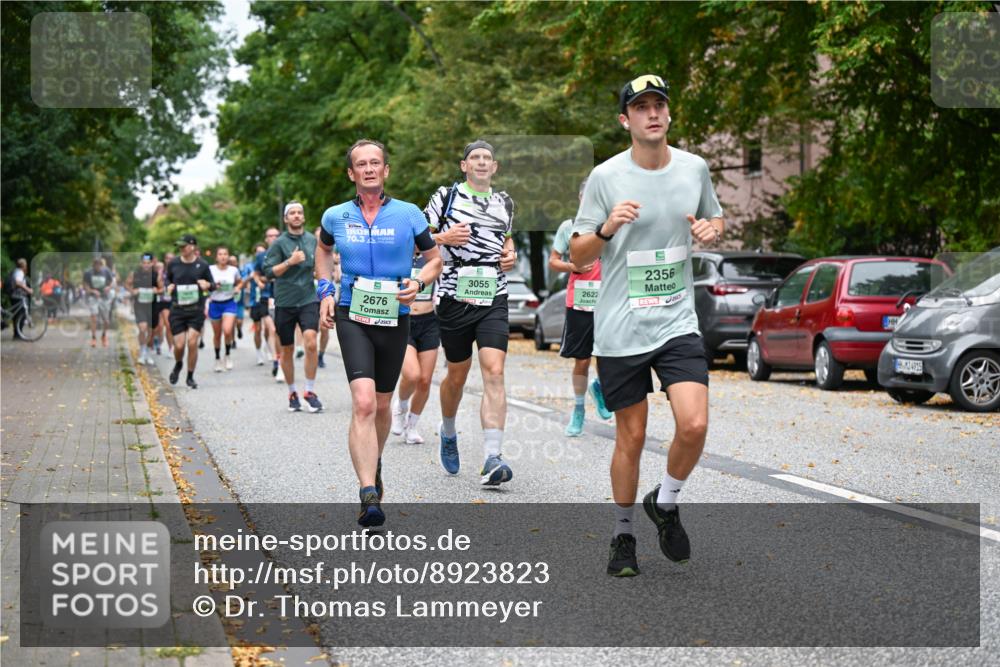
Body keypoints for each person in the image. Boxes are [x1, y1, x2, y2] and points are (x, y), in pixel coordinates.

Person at [570, 74, 724, 576]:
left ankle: (667, 501)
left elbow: (714, 219)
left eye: (659, 104)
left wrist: (709, 227)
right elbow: (577, 253)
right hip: (621, 327)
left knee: (695, 423)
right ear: (625, 120)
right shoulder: (605, 178)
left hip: (678, 319)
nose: (652, 113)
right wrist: (608, 227)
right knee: (631, 438)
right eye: (641, 107)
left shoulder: (694, 168)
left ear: (669, 115)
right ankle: (623, 535)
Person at [317, 139, 441, 527]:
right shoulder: (335, 216)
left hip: (394, 314)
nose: (369, 169)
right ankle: (368, 491)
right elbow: (322, 251)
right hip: (352, 313)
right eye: (361, 165)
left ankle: (375, 458)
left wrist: (419, 281)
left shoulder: (409, 215)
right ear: (351, 174)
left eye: (376, 163)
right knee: (365, 402)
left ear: (386, 170)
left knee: (384, 406)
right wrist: (325, 290)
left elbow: (434, 258)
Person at [424, 140, 517, 485]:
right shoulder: (444, 197)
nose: (481, 163)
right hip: (454, 293)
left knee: (494, 370)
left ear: (494, 168)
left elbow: (506, 241)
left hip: (493, 290)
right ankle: (448, 430)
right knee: (457, 375)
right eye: (474, 158)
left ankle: (493, 456)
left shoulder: (504, 202)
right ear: (464, 166)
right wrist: (445, 237)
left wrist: (510, 255)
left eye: (487, 159)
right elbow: (418, 238)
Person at [549, 179, 613, 436]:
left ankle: (600, 387)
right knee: (583, 360)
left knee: (609, 356)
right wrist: (571, 267)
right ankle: (578, 411)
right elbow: (554, 261)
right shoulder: (569, 227)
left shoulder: (612, 225)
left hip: (609, 299)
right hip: (580, 301)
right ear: (580, 197)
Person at [263, 202, 322, 412]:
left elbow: (320, 266)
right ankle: (292, 392)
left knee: (311, 342)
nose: (296, 216)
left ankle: (309, 391)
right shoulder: (279, 243)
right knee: (286, 349)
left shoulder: (311, 240)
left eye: (299, 213)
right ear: (286, 219)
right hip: (285, 302)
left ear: (303, 218)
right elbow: (269, 272)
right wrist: (290, 261)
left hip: (307, 299)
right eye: (292, 213)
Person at [390, 247, 440, 444]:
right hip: (404, 320)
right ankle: (400, 407)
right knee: (412, 374)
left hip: (429, 321)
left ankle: (411, 426)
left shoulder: (434, 257)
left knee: (425, 380)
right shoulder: (397, 254)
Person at [165, 234, 216, 389]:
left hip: (196, 310)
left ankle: (190, 376)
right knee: (179, 345)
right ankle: (179, 363)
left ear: (192, 246)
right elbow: (168, 279)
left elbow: (213, 285)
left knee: (192, 342)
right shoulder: (173, 263)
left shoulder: (203, 265)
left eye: (184, 246)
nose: (181, 249)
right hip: (178, 310)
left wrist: (207, 285)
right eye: (179, 246)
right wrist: (169, 286)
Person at [253, 228, 282, 380]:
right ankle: (276, 359)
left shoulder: (285, 253)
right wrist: (260, 281)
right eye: (270, 236)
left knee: (278, 330)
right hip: (266, 297)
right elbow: (256, 273)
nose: (273, 238)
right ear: (266, 239)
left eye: (276, 236)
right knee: (272, 328)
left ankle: (279, 359)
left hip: (282, 296)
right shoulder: (261, 256)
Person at [209, 246, 243, 372]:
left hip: (229, 302)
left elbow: (240, 281)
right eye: (220, 254)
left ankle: (227, 355)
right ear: (216, 257)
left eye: (225, 254)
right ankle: (217, 359)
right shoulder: (210, 269)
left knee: (228, 331)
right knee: (217, 334)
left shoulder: (233, 270)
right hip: (215, 303)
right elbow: (206, 284)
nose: (223, 256)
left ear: (228, 256)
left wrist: (238, 288)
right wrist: (212, 286)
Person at [125, 253, 163, 365]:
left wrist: (157, 290)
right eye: (144, 263)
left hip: (152, 305)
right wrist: (132, 291)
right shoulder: (135, 274)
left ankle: (148, 352)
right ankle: (142, 351)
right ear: (140, 263)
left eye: (148, 263)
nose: (146, 265)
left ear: (152, 263)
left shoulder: (156, 275)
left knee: (151, 330)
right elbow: (127, 284)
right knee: (142, 328)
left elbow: (162, 289)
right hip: (140, 305)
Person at [313, 226, 342, 369]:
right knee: (311, 330)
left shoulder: (332, 252)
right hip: (311, 297)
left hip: (329, 295)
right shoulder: (309, 251)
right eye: (318, 235)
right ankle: (307, 350)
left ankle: (320, 354)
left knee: (324, 328)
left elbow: (336, 277)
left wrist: (336, 267)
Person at [82, 257, 115, 347]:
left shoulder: (106, 271)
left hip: (104, 297)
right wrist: (92, 291)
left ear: (101, 265)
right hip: (93, 297)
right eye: (96, 265)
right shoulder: (88, 273)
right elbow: (85, 286)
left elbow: (112, 282)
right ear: (93, 265)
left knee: (106, 320)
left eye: (99, 265)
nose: (98, 267)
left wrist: (108, 287)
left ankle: (104, 336)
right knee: (94, 317)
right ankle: (93, 338)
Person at [243, 245, 267, 365]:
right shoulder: (249, 266)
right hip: (254, 301)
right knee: (258, 329)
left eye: (262, 252)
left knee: (269, 327)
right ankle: (258, 353)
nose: (260, 254)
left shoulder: (269, 263)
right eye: (258, 252)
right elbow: (242, 282)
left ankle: (268, 346)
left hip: (268, 298)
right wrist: (250, 277)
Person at [8, 258, 33, 339]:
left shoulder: (16, 271)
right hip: (18, 296)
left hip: (14, 295)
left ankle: (17, 334)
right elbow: (18, 283)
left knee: (17, 315)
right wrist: (28, 289)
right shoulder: (19, 272)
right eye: (25, 265)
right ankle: (18, 334)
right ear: (23, 265)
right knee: (21, 315)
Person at [229, 255, 245, 346]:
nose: (232, 263)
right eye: (230, 261)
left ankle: (239, 329)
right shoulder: (226, 272)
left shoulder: (241, 272)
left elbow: (244, 283)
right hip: (230, 301)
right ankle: (232, 340)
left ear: (236, 263)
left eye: (234, 261)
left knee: (239, 321)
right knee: (231, 323)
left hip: (239, 301)